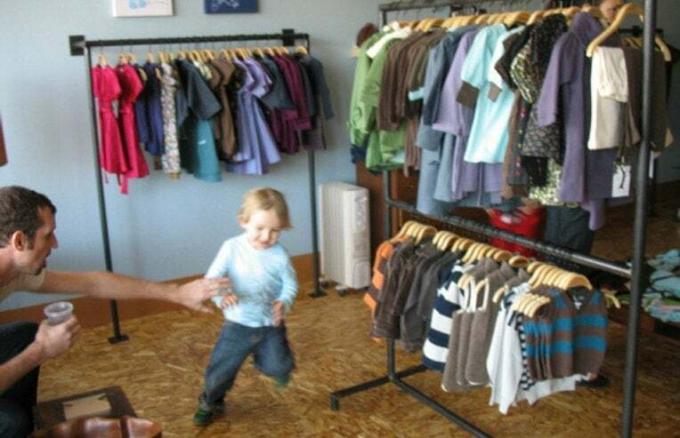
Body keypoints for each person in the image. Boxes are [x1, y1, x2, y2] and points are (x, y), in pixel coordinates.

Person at [0, 185, 230, 437]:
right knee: (12, 422)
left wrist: (178, 293)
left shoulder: (16, 270)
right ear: (19, 241)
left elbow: (94, 282)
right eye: (48, 235)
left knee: (24, 335)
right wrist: (40, 351)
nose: (55, 243)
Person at [193, 187, 297, 427]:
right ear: (243, 222)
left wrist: (284, 302)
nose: (266, 237)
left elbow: (290, 285)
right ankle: (211, 402)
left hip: (270, 323)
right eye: (259, 228)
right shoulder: (231, 248)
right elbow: (212, 277)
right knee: (219, 372)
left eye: (275, 231)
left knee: (279, 366)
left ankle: (270, 362)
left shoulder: (280, 255)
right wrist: (221, 295)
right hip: (237, 324)